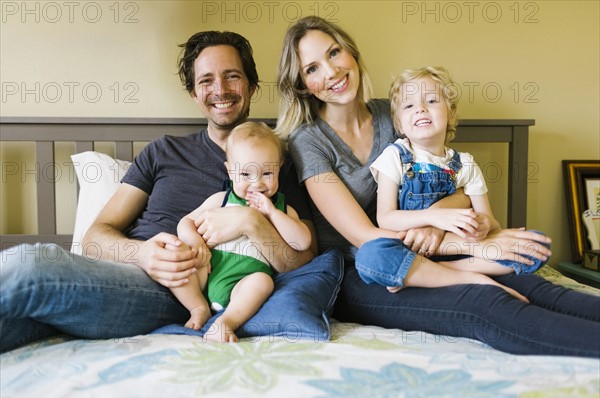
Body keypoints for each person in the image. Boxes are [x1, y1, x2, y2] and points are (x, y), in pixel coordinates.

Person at [276, 15, 600, 357]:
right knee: (484, 302)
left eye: (334, 53)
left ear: (352, 55)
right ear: (300, 84)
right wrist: (464, 246)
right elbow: (363, 235)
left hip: (433, 243)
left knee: (536, 286)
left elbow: (459, 188)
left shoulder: (397, 113)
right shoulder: (308, 141)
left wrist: (434, 218)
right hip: (371, 271)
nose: (330, 72)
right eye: (311, 68)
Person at [0, 31, 342, 353]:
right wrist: (144, 255)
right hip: (135, 275)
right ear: (194, 93)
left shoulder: (275, 162)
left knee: (28, 266)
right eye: (206, 81)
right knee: (18, 321)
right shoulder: (163, 152)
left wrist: (251, 221)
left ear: (252, 86)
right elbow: (94, 238)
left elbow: (302, 258)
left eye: (232, 76)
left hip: (181, 293)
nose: (220, 89)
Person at [359, 66, 546, 294]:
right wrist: (435, 217)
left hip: (461, 253)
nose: (420, 109)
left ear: (451, 114)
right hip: (410, 249)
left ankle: (448, 271)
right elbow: (386, 219)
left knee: (536, 244)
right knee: (370, 256)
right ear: (399, 124)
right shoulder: (395, 156)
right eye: (409, 105)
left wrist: (484, 225)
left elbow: (490, 221)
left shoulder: (465, 164)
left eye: (431, 100)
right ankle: (475, 279)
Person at [173, 121, 311, 342]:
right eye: (246, 174)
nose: (257, 183)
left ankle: (226, 322)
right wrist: (195, 242)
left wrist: (273, 213)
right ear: (230, 171)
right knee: (177, 257)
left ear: (280, 168)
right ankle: (198, 307)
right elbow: (185, 223)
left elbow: (302, 242)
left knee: (263, 282)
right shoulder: (221, 200)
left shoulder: (283, 209)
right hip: (208, 271)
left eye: (267, 173)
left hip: (244, 283)